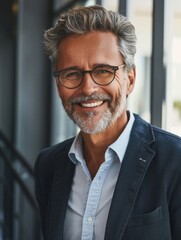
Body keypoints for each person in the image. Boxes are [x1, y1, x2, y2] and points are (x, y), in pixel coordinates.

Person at [34, 5, 181, 240]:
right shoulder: (48, 166)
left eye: (103, 71)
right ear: (58, 83)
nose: (88, 88)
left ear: (130, 79)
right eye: (72, 73)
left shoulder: (175, 160)